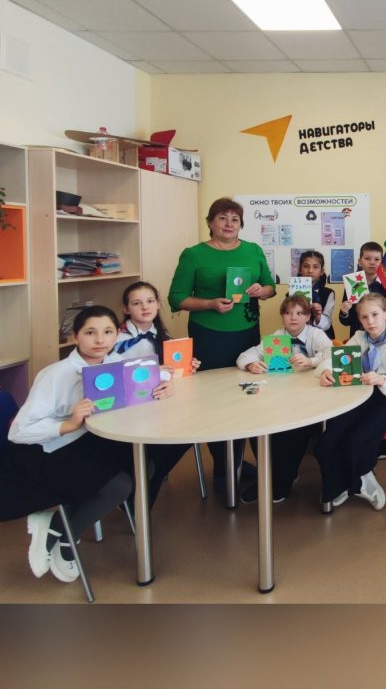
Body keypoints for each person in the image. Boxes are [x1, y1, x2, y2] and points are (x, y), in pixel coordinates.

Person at [0, 306, 171, 584]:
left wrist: (162, 387)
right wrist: (69, 423)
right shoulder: (56, 374)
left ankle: (58, 528)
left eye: (108, 332)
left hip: (86, 444)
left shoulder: (114, 363)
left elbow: (142, 387)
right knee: (119, 484)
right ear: (75, 336)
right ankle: (66, 539)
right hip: (45, 451)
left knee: (146, 465)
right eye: (90, 333)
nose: (100, 340)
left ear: (116, 334)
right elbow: (19, 431)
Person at [168, 197, 275, 493]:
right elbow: (176, 298)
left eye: (235, 219)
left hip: (247, 334)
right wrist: (209, 303)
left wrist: (261, 290)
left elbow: (270, 287)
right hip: (209, 336)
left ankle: (243, 462)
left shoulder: (253, 250)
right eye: (222, 218)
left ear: (241, 224)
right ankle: (224, 469)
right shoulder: (193, 254)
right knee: (215, 402)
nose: (229, 224)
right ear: (210, 222)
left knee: (249, 396)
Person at [315, 294, 386, 512]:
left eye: (375, 315)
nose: (370, 322)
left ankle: (363, 480)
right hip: (360, 395)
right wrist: (326, 371)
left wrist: (381, 379)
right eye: (364, 317)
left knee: (356, 441)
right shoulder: (359, 337)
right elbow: (334, 359)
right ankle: (340, 485)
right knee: (325, 444)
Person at [236, 295, 331, 504]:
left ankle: (281, 482)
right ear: (282, 317)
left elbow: (332, 354)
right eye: (288, 313)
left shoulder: (316, 335)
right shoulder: (277, 337)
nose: (293, 318)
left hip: (312, 402)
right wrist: (251, 364)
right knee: (258, 427)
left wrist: (311, 361)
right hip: (281, 399)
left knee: (294, 432)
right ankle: (272, 475)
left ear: (308, 316)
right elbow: (246, 355)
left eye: (299, 313)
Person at [113, 281, 196, 503]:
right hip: (128, 409)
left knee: (189, 433)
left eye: (150, 301)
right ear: (126, 308)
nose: (145, 307)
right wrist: (154, 371)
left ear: (158, 304)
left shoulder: (159, 334)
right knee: (161, 448)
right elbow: (113, 375)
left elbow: (168, 371)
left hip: (158, 405)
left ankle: (149, 480)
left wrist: (185, 366)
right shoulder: (117, 339)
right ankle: (140, 496)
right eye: (136, 303)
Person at [338, 241, 386, 339]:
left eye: (377, 259)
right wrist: (344, 312)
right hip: (358, 337)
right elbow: (346, 322)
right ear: (360, 261)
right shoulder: (353, 284)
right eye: (367, 258)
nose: (372, 262)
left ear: (382, 262)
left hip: (381, 337)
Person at [297, 249, 336, 341]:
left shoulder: (328, 293)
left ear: (321, 271)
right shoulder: (292, 293)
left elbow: (327, 324)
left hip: (324, 338)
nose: (310, 270)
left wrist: (318, 316)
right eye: (306, 266)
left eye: (315, 267)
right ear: (300, 269)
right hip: (299, 337)